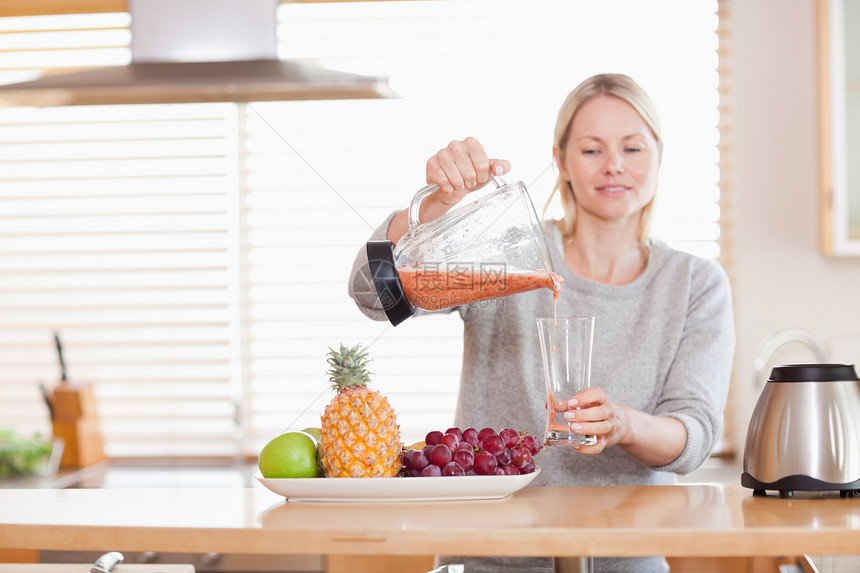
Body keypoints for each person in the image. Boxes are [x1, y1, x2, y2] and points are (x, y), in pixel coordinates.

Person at [348, 73, 735, 573]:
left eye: (633, 149)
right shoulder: (511, 258)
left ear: (659, 155)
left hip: (627, 561)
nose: (614, 165)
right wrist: (434, 207)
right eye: (593, 150)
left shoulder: (694, 283)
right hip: (491, 557)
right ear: (561, 160)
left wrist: (624, 424)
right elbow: (372, 295)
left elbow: (694, 437)